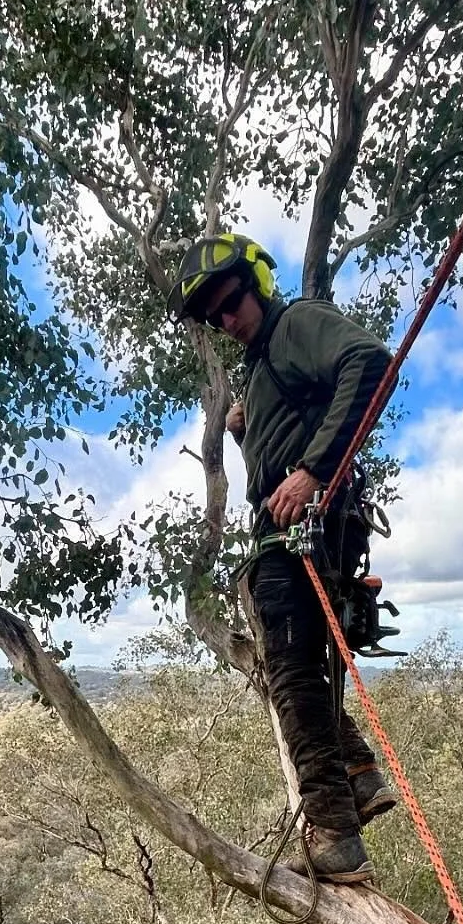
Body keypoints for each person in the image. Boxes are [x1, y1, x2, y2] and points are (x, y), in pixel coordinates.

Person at [171, 232, 397, 885]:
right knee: (291, 671)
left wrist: (310, 472)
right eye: (212, 314)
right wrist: (249, 427)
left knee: (294, 682)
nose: (224, 318)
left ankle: (334, 837)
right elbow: (294, 423)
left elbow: (368, 363)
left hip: (300, 533)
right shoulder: (265, 361)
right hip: (300, 533)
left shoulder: (296, 322)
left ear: (258, 285)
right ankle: (357, 775)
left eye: (230, 301)